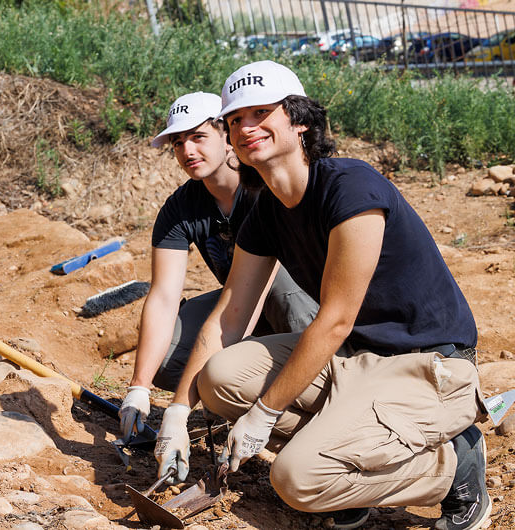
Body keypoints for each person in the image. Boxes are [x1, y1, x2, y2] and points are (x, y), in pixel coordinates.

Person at [154, 60, 487, 530]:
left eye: (261, 113)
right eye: (234, 120)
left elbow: (334, 319)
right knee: (219, 378)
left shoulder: (350, 187)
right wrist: (177, 409)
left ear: (300, 119)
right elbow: (228, 317)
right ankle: (349, 458)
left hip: (427, 362)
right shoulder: (268, 209)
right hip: (356, 357)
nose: (246, 127)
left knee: (296, 480)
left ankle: (454, 467)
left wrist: (264, 414)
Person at [118, 92, 318, 450]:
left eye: (198, 137)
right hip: (243, 311)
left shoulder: (261, 187)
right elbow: (164, 296)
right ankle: (241, 395)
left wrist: (181, 405)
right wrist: (138, 388)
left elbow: (257, 294)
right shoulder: (180, 207)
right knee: (165, 355)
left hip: (306, 308)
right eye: (178, 143)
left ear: (227, 137)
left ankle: (318, 402)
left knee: (280, 290)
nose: (187, 151)